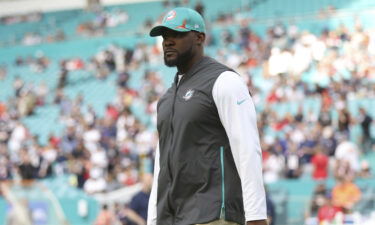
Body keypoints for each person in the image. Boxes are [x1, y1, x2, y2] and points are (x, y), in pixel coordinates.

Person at [147, 7, 267, 225]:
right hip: (173, 218)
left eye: (177, 34)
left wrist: (256, 216)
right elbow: (161, 164)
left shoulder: (225, 81)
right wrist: (153, 219)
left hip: (214, 214)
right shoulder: (166, 98)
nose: (168, 41)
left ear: (199, 37)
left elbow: (247, 148)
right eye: (165, 36)